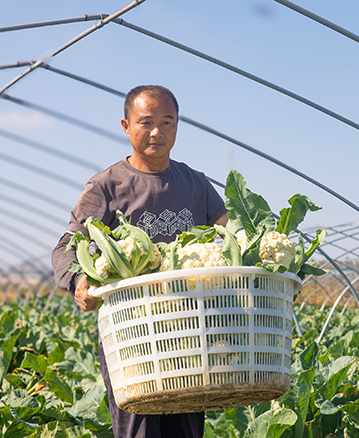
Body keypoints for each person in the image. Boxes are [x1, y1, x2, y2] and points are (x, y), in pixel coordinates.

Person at [51, 85, 228, 438]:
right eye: (146, 122)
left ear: (177, 126)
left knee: (186, 429)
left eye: (167, 122)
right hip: (130, 333)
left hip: (189, 331)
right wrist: (78, 282)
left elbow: (233, 239)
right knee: (139, 431)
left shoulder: (197, 184)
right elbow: (67, 246)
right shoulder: (106, 187)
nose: (157, 132)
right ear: (126, 125)